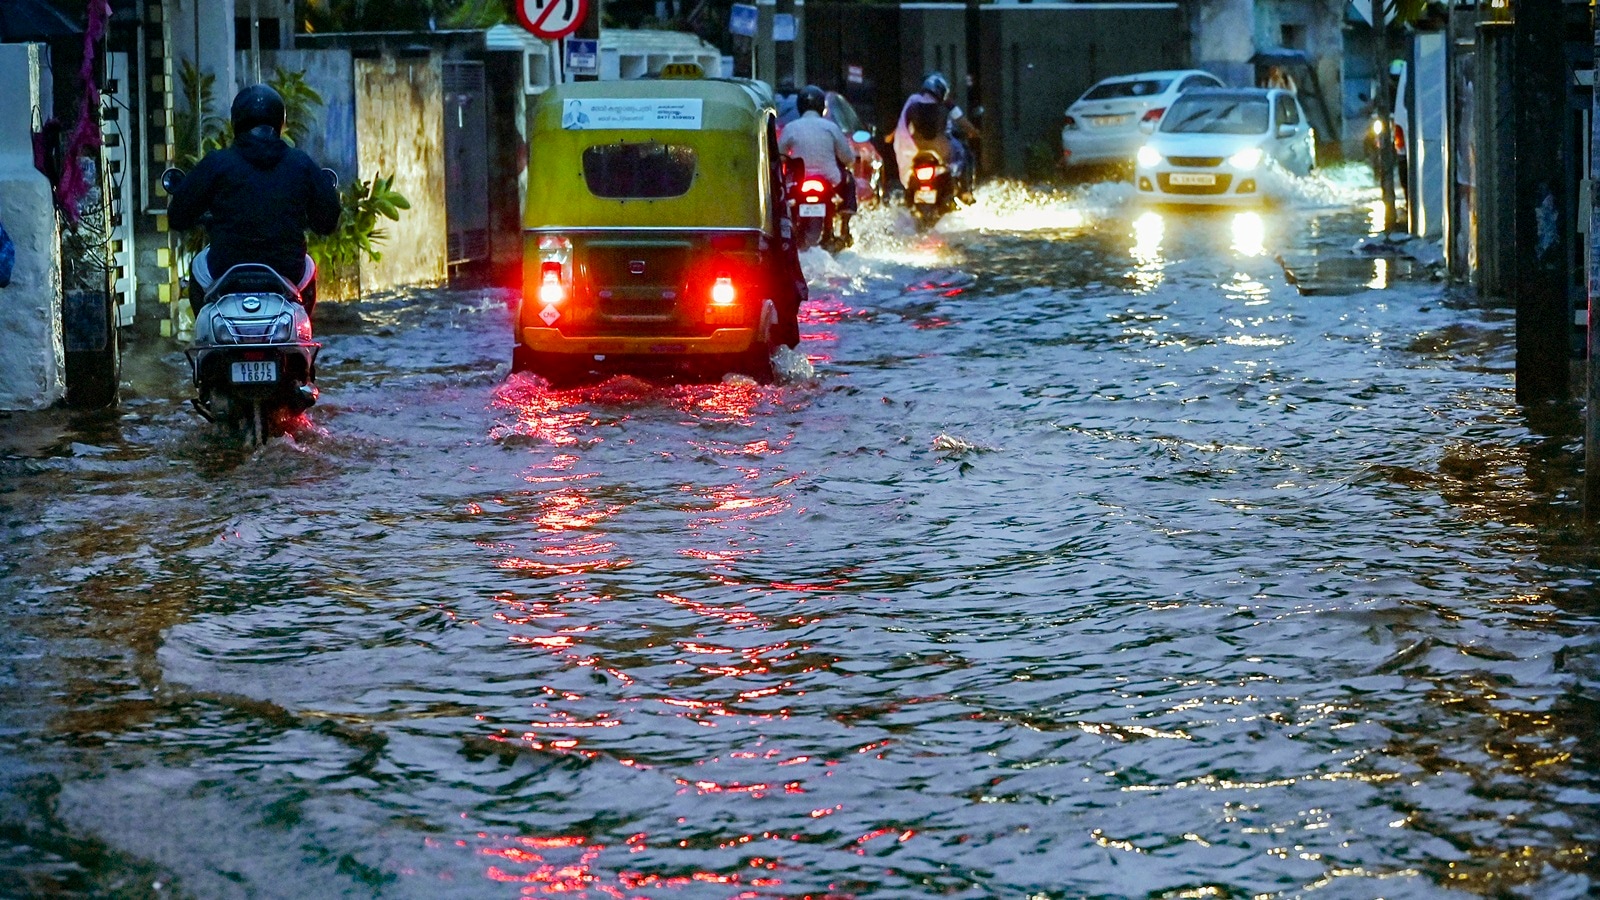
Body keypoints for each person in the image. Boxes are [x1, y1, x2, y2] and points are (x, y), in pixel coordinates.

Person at [167, 84, 341, 316]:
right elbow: (329, 219)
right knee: (308, 265)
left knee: (198, 264)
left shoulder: (217, 163)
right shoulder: (300, 163)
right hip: (288, 271)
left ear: (236, 122)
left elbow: (177, 216)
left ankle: (205, 334)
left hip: (224, 268)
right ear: (280, 122)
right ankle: (303, 331)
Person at [777, 85, 858, 245]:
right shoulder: (831, 127)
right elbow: (847, 158)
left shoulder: (790, 128)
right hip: (830, 178)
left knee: (782, 198)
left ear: (800, 106)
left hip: (799, 181)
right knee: (849, 180)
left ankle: (786, 230)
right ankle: (845, 228)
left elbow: (779, 156)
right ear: (821, 107)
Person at [893, 71, 980, 204]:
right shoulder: (946, 105)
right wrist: (975, 133)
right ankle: (965, 191)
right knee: (964, 153)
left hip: (915, 149)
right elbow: (963, 122)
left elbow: (902, 125)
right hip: (941, 149)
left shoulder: (913, 102)